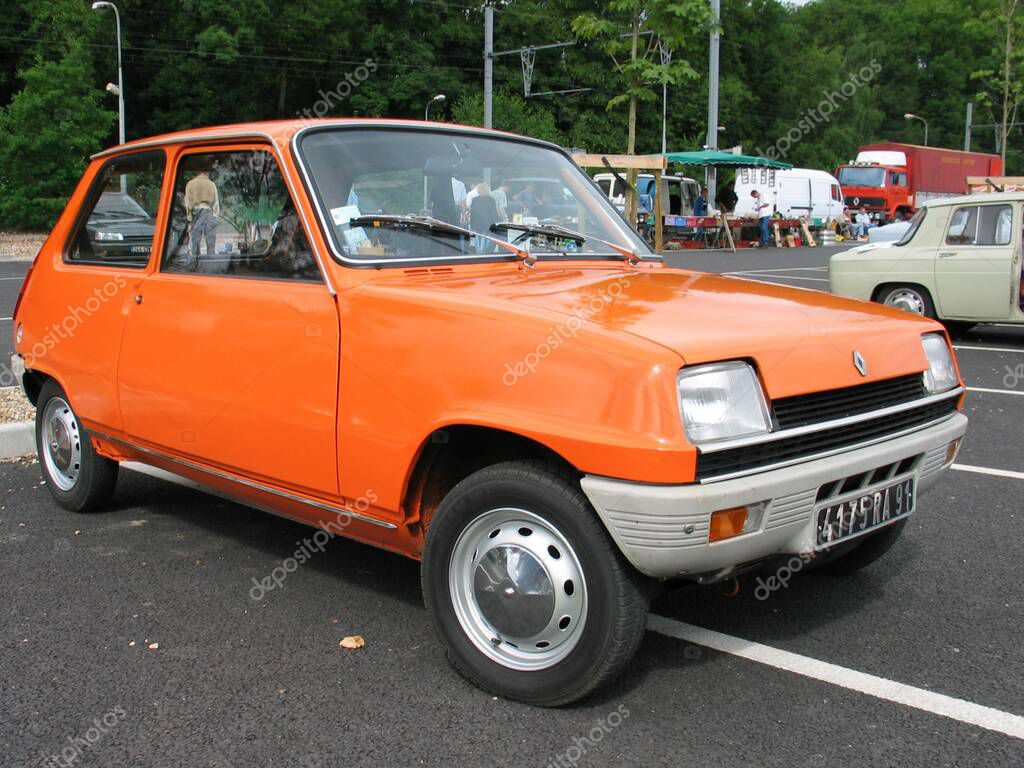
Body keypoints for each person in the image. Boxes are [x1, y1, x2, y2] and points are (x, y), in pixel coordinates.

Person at [185, 166, 220, 269]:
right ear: (207, 172)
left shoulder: (190, 184)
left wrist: (189, 218)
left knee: (195, 243)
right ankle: (210, 268)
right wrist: (216, 216)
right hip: (209, 213)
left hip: (196, 213)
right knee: (211, 243)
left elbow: (187, 203)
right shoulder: (211, 184)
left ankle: (193, 267)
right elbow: (216, 203)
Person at [469, 183, 500, 252]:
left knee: (478, 238)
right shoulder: (491, 200)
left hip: (477, 223)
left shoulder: (474, 200)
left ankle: (479, 251)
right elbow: (494, 213)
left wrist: (471, 224)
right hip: (488, 223)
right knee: (487, 239)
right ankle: (484, 252)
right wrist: (497, 223)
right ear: (487, 190)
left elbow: (472, 213)